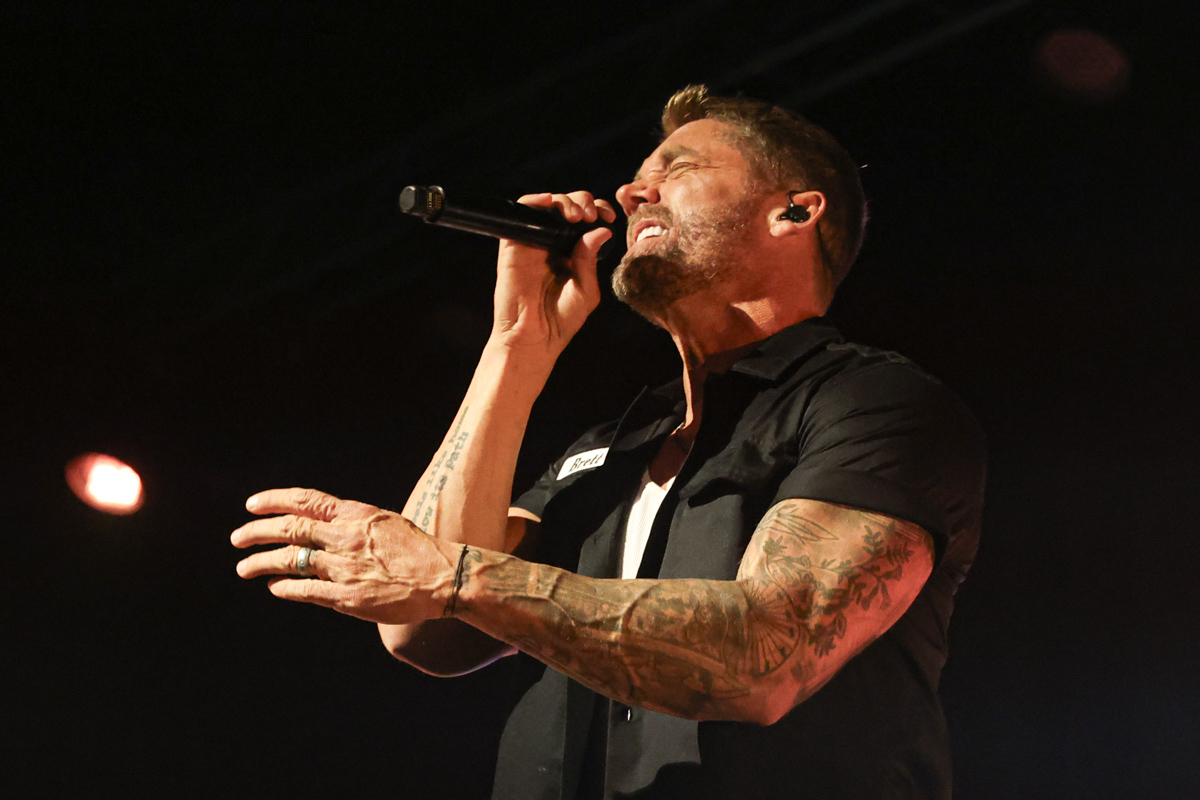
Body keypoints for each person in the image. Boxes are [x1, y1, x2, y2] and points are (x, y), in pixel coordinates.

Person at [232, 85, 985, 799]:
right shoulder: (615, 446)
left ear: (793, 210)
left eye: (678, 169)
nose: (630, 194)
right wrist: (516, 343)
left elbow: (765, 657)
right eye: (635, 178)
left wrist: (456, 576)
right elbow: (423, 630)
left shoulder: (878, 404)